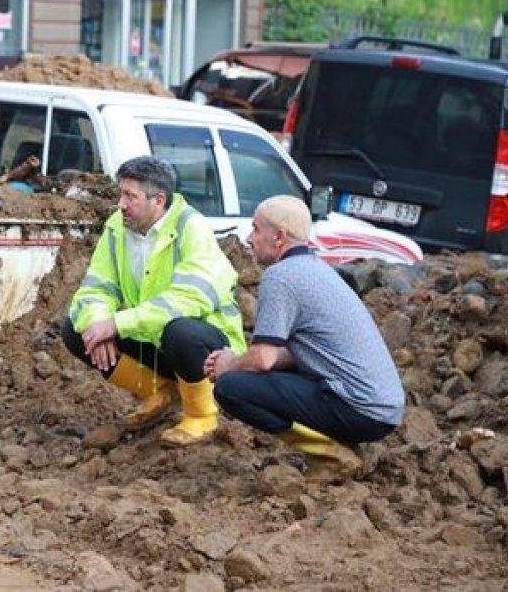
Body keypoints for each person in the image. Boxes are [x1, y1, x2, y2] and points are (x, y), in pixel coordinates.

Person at [205, 195, 403, 470]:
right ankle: (335, 447)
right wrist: (239, 360)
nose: (249, 239)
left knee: (231, 388)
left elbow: (262, 359)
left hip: (359, 410)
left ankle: (329, 455)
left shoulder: (281, 276)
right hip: (383, 410)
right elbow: (298, 354)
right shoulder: (316, 268)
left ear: (279, 237)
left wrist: (229, 364)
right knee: (259, 375)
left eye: (256, 229)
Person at [63, 156, 245, 445]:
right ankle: (164, 393)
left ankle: (202, 415)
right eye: (121, 194)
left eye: (130, 196)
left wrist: (118, 323)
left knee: (181, 331)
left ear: (158, 201)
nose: (121, 204)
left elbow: (189, 298)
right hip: (154, 339)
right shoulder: (118, 226)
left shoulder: (191, 227)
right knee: (77, 330)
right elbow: (96, 287)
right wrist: (98, 323)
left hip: (209, 351)